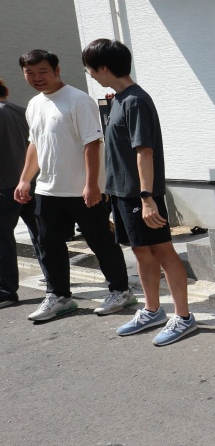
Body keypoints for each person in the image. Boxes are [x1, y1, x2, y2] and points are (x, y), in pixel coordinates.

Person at [82, 39, 197, 346]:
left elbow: (144, 152)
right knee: (141, 251)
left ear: (103, 68)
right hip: (124, 193)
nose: (89, 73)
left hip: (141, 196)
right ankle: (152, 310)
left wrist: (147, 198)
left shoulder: (135, 101)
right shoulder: (119, 99)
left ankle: (184, 317)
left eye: (89, 68)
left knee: (163, 251)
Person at [14, 49, 135, 322]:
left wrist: (92, 185)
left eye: (43, 71)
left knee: (100, 242)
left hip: (83, 189)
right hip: (47, 188)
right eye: (30, 73)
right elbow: (35, 144)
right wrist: (25, 179)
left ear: (57, 71)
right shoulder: (34, 104)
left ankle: (121, 291)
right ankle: (59, 296)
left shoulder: (78, 100)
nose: (36, 77)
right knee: (48, 245)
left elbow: (92, 143)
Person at [0, 77, 45, 307]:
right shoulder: (22, 111)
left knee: (3, 239)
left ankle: (6, 291)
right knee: (40, 233)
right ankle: (55, 280)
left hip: (4, 185)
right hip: (31, 181)